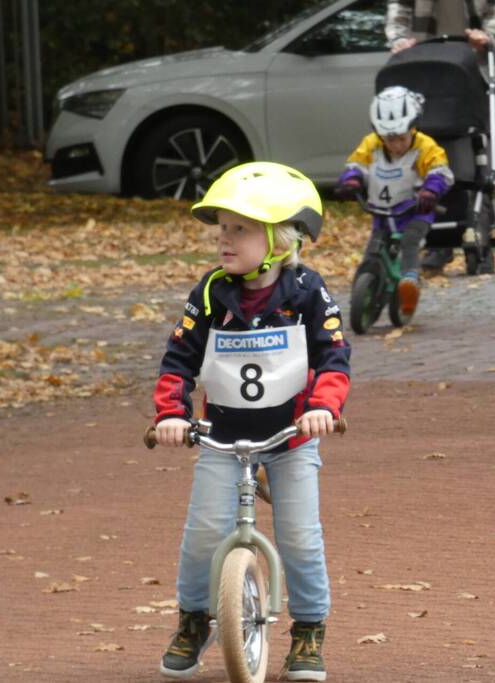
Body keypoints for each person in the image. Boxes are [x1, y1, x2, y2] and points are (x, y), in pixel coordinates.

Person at [151, 162, 350, 682]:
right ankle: (194, 618)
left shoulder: (306, 291)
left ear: (280, 241)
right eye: (223, 228)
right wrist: (171, 414)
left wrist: (324, 408)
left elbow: (333, 357)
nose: (225, 238)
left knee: (300, 536)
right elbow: (178, 361)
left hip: (291, 437)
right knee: (203, 533)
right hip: (222, 436)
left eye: (240, 229)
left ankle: (309, 629)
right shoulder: (211, 293)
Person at [385, 0, 495, 270]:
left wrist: (488, 34)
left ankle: (479, 234)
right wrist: (398, 39)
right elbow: (399, 7)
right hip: (425, 65)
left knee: (476, 147)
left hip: (478, 63)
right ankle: (439, 243)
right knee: (430, 151)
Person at [335, 86, 454, 316]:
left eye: (402, 138)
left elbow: (439, 171)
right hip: (382, 210)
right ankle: (365, 287)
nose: (397, 145)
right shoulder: (371, 144)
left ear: (413, 128)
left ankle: (410, 281)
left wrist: (430, 191)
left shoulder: (425, 147)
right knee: (373, 249)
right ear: (380, 134)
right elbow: (356, 164)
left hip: (416, 209)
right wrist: (351, 181)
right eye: (390, 140)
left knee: (410, 241)